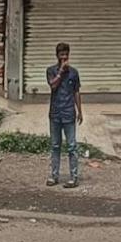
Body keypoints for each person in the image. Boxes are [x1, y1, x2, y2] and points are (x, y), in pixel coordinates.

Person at [45, 42, 84, 188]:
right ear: (57, 56)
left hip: (69, 113)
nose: (64, 58)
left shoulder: (74, 72)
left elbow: (76, 92)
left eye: (66, 55)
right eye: (62, 55)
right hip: (55, 113)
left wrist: (80, 111)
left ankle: (73, 177)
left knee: (72, 146)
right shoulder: (51, 71)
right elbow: (53, 85)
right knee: (55, 145)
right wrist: (60, 72)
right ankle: (54, 176)